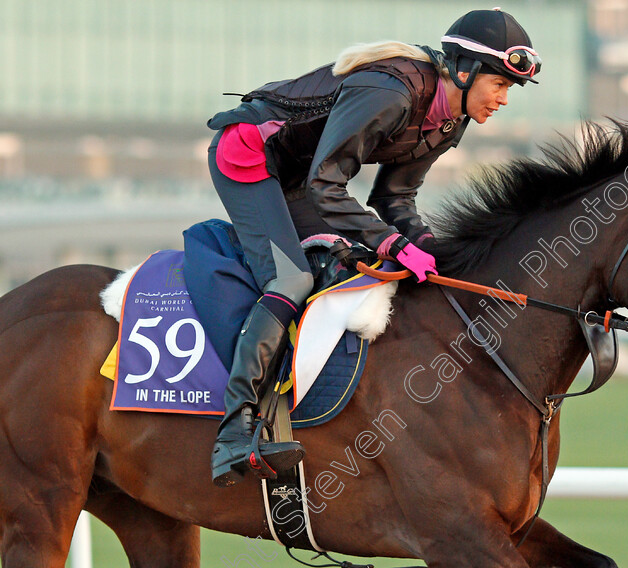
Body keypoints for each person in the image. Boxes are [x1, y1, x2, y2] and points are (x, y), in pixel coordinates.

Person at [206, 8, 542, 487]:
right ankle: (234, 429)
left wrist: (429, 248)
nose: (504, 100)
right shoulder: (390, 93)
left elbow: (393, 197)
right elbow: (329, 185)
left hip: (301, 176)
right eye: (501, 85)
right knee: (293, 277)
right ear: (464, 71)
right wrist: (393, 242)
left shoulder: (451, 120)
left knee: (349, 264)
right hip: (250, 154)